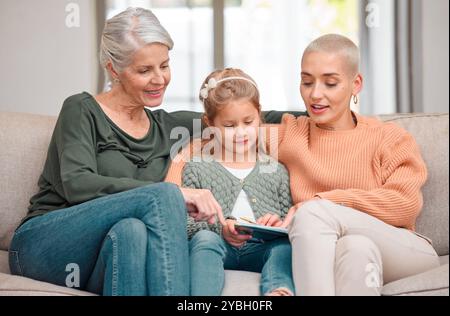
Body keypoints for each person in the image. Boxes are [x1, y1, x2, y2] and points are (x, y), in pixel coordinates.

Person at [270, 34, 440, 296]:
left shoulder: (389, 138)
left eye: (330, 83)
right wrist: (186, 191)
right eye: (306, 82)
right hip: (349, 246)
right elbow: (211, 140)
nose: (315, 94)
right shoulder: (292, 133)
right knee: (355, 248)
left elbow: (404, 205)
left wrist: (326, 201)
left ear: (355, 84)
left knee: (313, 213)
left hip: (405, 249)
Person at [165, 68, 295, 296]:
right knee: (205, 239)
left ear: (259, 115)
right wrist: (220, 230)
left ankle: (278, 290)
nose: (241, 133)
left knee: (283, 248)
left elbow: (289, 224)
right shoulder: (197, 167)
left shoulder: (276, 170)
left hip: (261, 249)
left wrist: (277, 224)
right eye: (229, 126)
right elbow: (185, 226)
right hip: (219, 247)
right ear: (209, 123)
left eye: (248, 122)